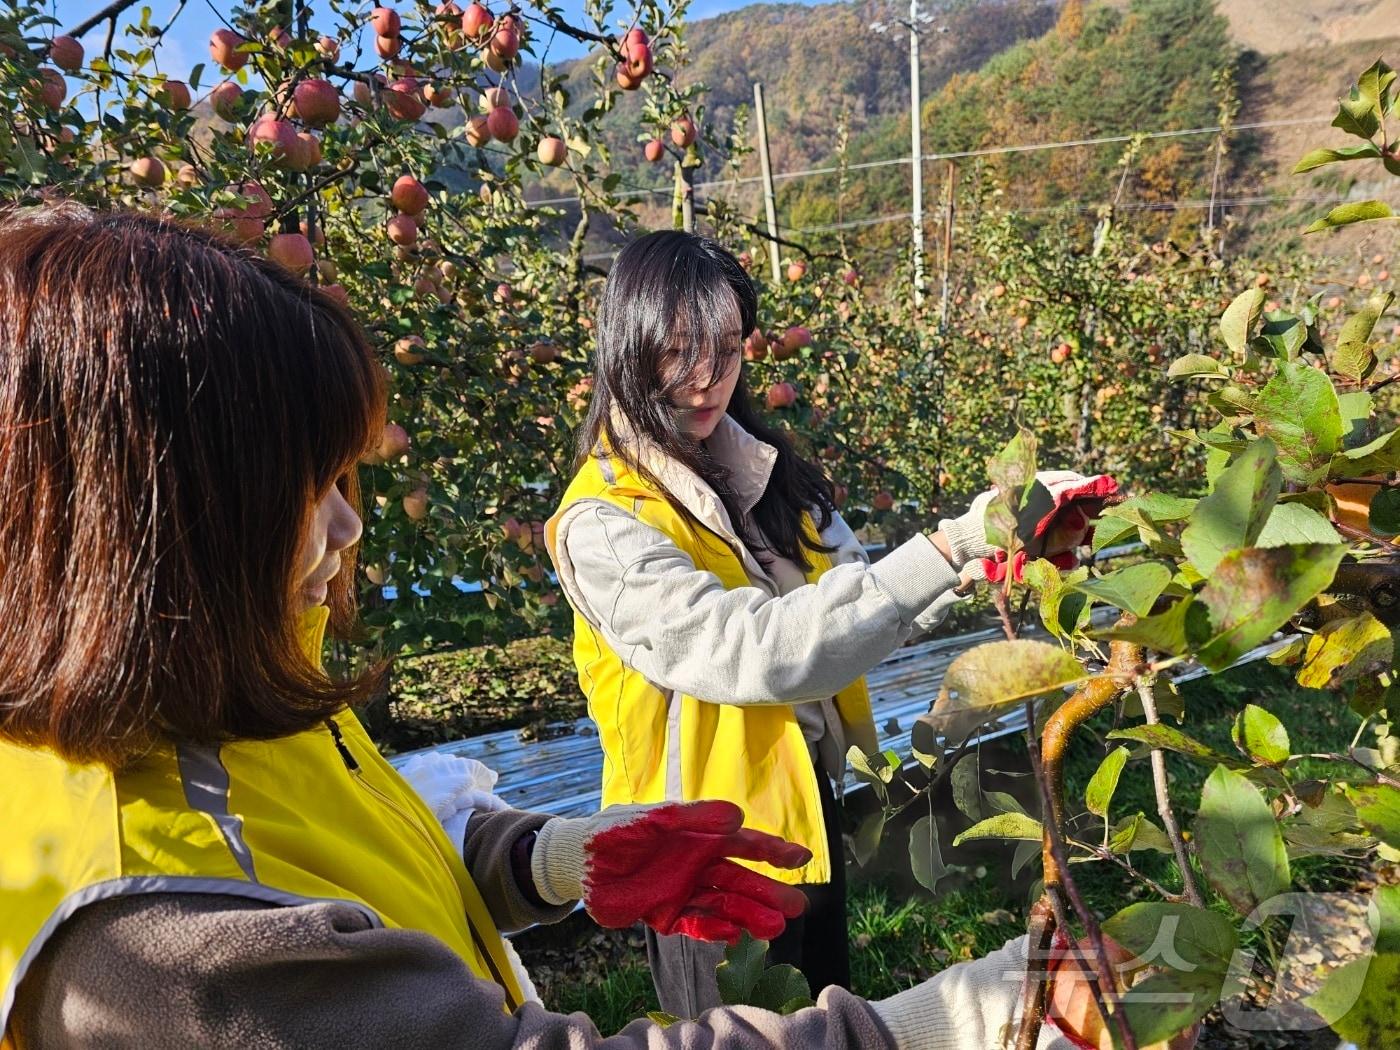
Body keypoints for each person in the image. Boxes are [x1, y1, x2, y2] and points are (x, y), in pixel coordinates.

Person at [0, 203, 1083, 1049]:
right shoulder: (148, 931)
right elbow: (757, 651)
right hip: (705, 808)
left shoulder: (232, 692)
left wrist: (546, 859)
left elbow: (350, 861)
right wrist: (948, 1024)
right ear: (154, 517)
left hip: (758, 820)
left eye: (729, 349)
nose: (346, 522)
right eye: (307, 481)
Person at [545, 230, 1115, 1017]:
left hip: (801, 805)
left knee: (818, 1021)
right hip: (696, 845)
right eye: (680, 353)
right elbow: (759, 652)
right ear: (627, 349)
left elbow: (858, 601)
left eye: (727, 350)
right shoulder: (604, 522)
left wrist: (995, 556)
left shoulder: (763, 475)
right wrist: (954, 541)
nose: (708, 380)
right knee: (737, 1038)